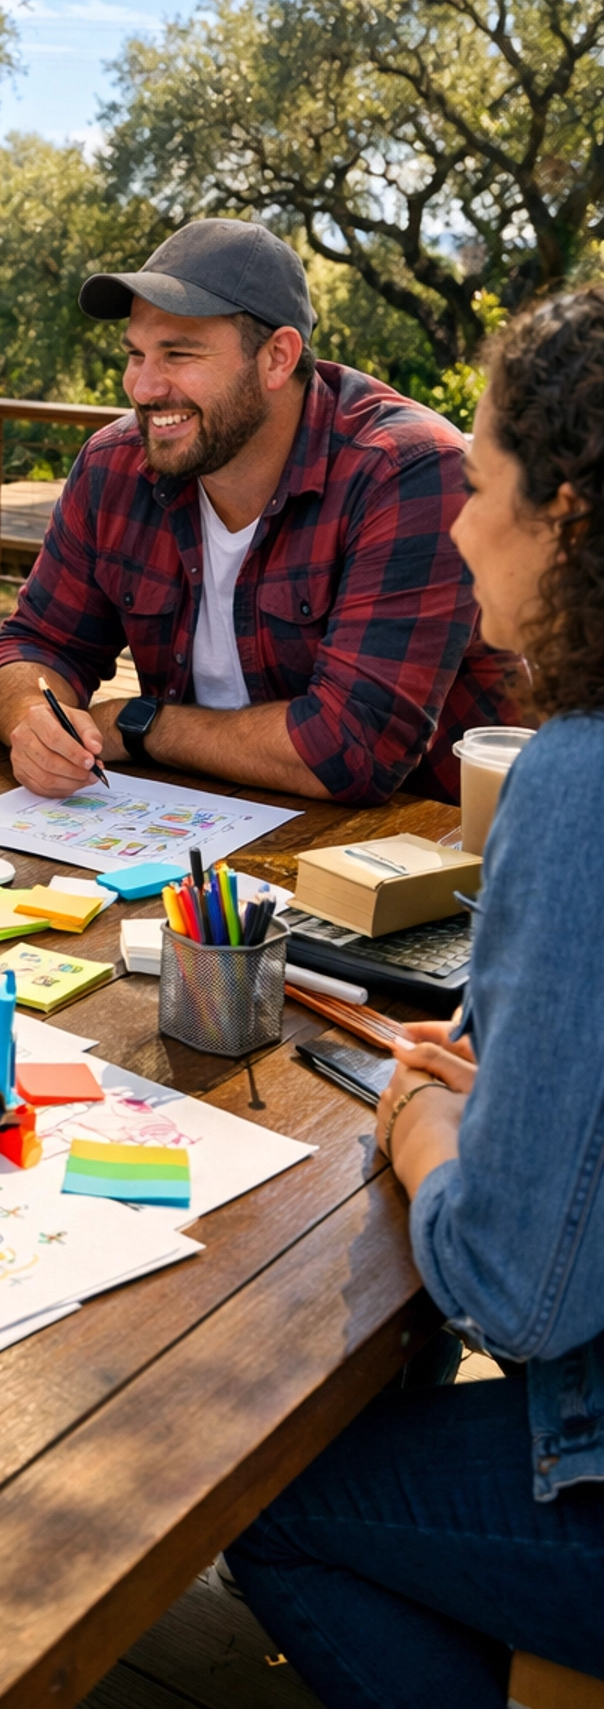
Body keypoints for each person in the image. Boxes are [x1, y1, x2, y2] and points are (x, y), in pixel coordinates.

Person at [224, 285, 604, 1703]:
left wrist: (422, 1134)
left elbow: (519, 1291)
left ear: (566, 517)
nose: (454, 525)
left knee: (259, 1502)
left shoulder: (578, 777)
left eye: (482, 486)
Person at [0, 217, 517, 803]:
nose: (143, 387)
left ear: (277, 358)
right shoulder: (114, 466)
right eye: (135, 354)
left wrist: (138, 725)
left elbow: (353, 749)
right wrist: (32, 716)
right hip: (205, 826)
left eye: (179, 354)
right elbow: (32, 644)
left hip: (436, 854)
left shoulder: (407, 471)